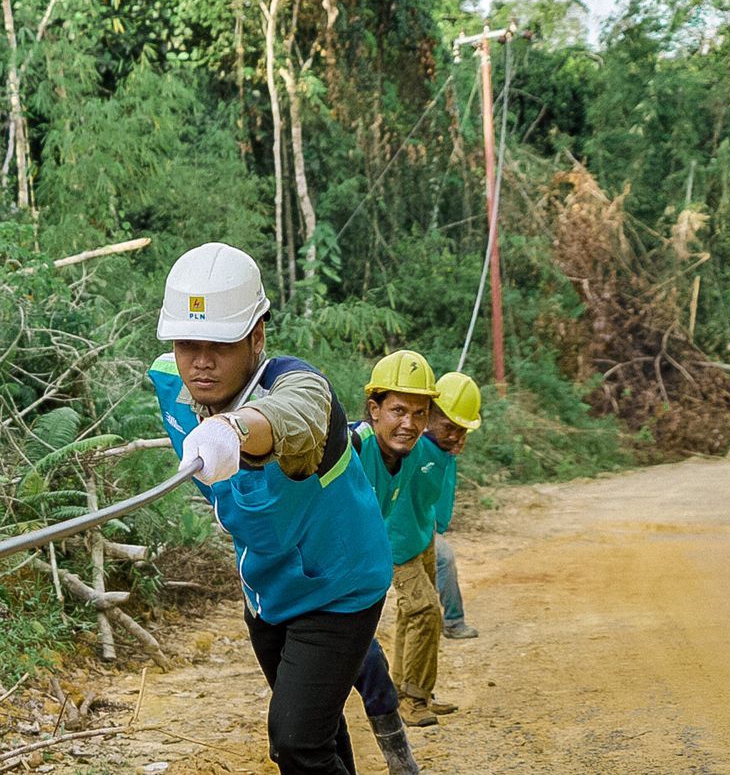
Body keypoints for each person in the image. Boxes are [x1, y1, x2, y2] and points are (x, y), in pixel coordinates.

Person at [148, 242, 392, 775]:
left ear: (257, 336)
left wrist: (233, 430)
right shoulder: (172, 385)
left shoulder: (301, 388)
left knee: (296, 741)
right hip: (267, 591)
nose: (202, 361)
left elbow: (291, 415)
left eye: (222, 343)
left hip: (339, 586)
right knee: (317, 729)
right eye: (187, 343)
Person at [347, 351, 452, 730]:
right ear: (374, 410)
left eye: (420, 413)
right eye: (398, 411)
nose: (410, 423)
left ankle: (408, 695)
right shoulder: (353, 446)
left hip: (368, 560)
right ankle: (405, 702)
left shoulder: (408, 453)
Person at [430, 372, 483, 640]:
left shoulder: (445, 450)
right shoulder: (419, 446)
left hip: (432, 526)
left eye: (460, 430)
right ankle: (453, 621)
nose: (453, 436)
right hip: (411, 528)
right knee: (444, 558)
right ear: (428, 416)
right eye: (448, 427)